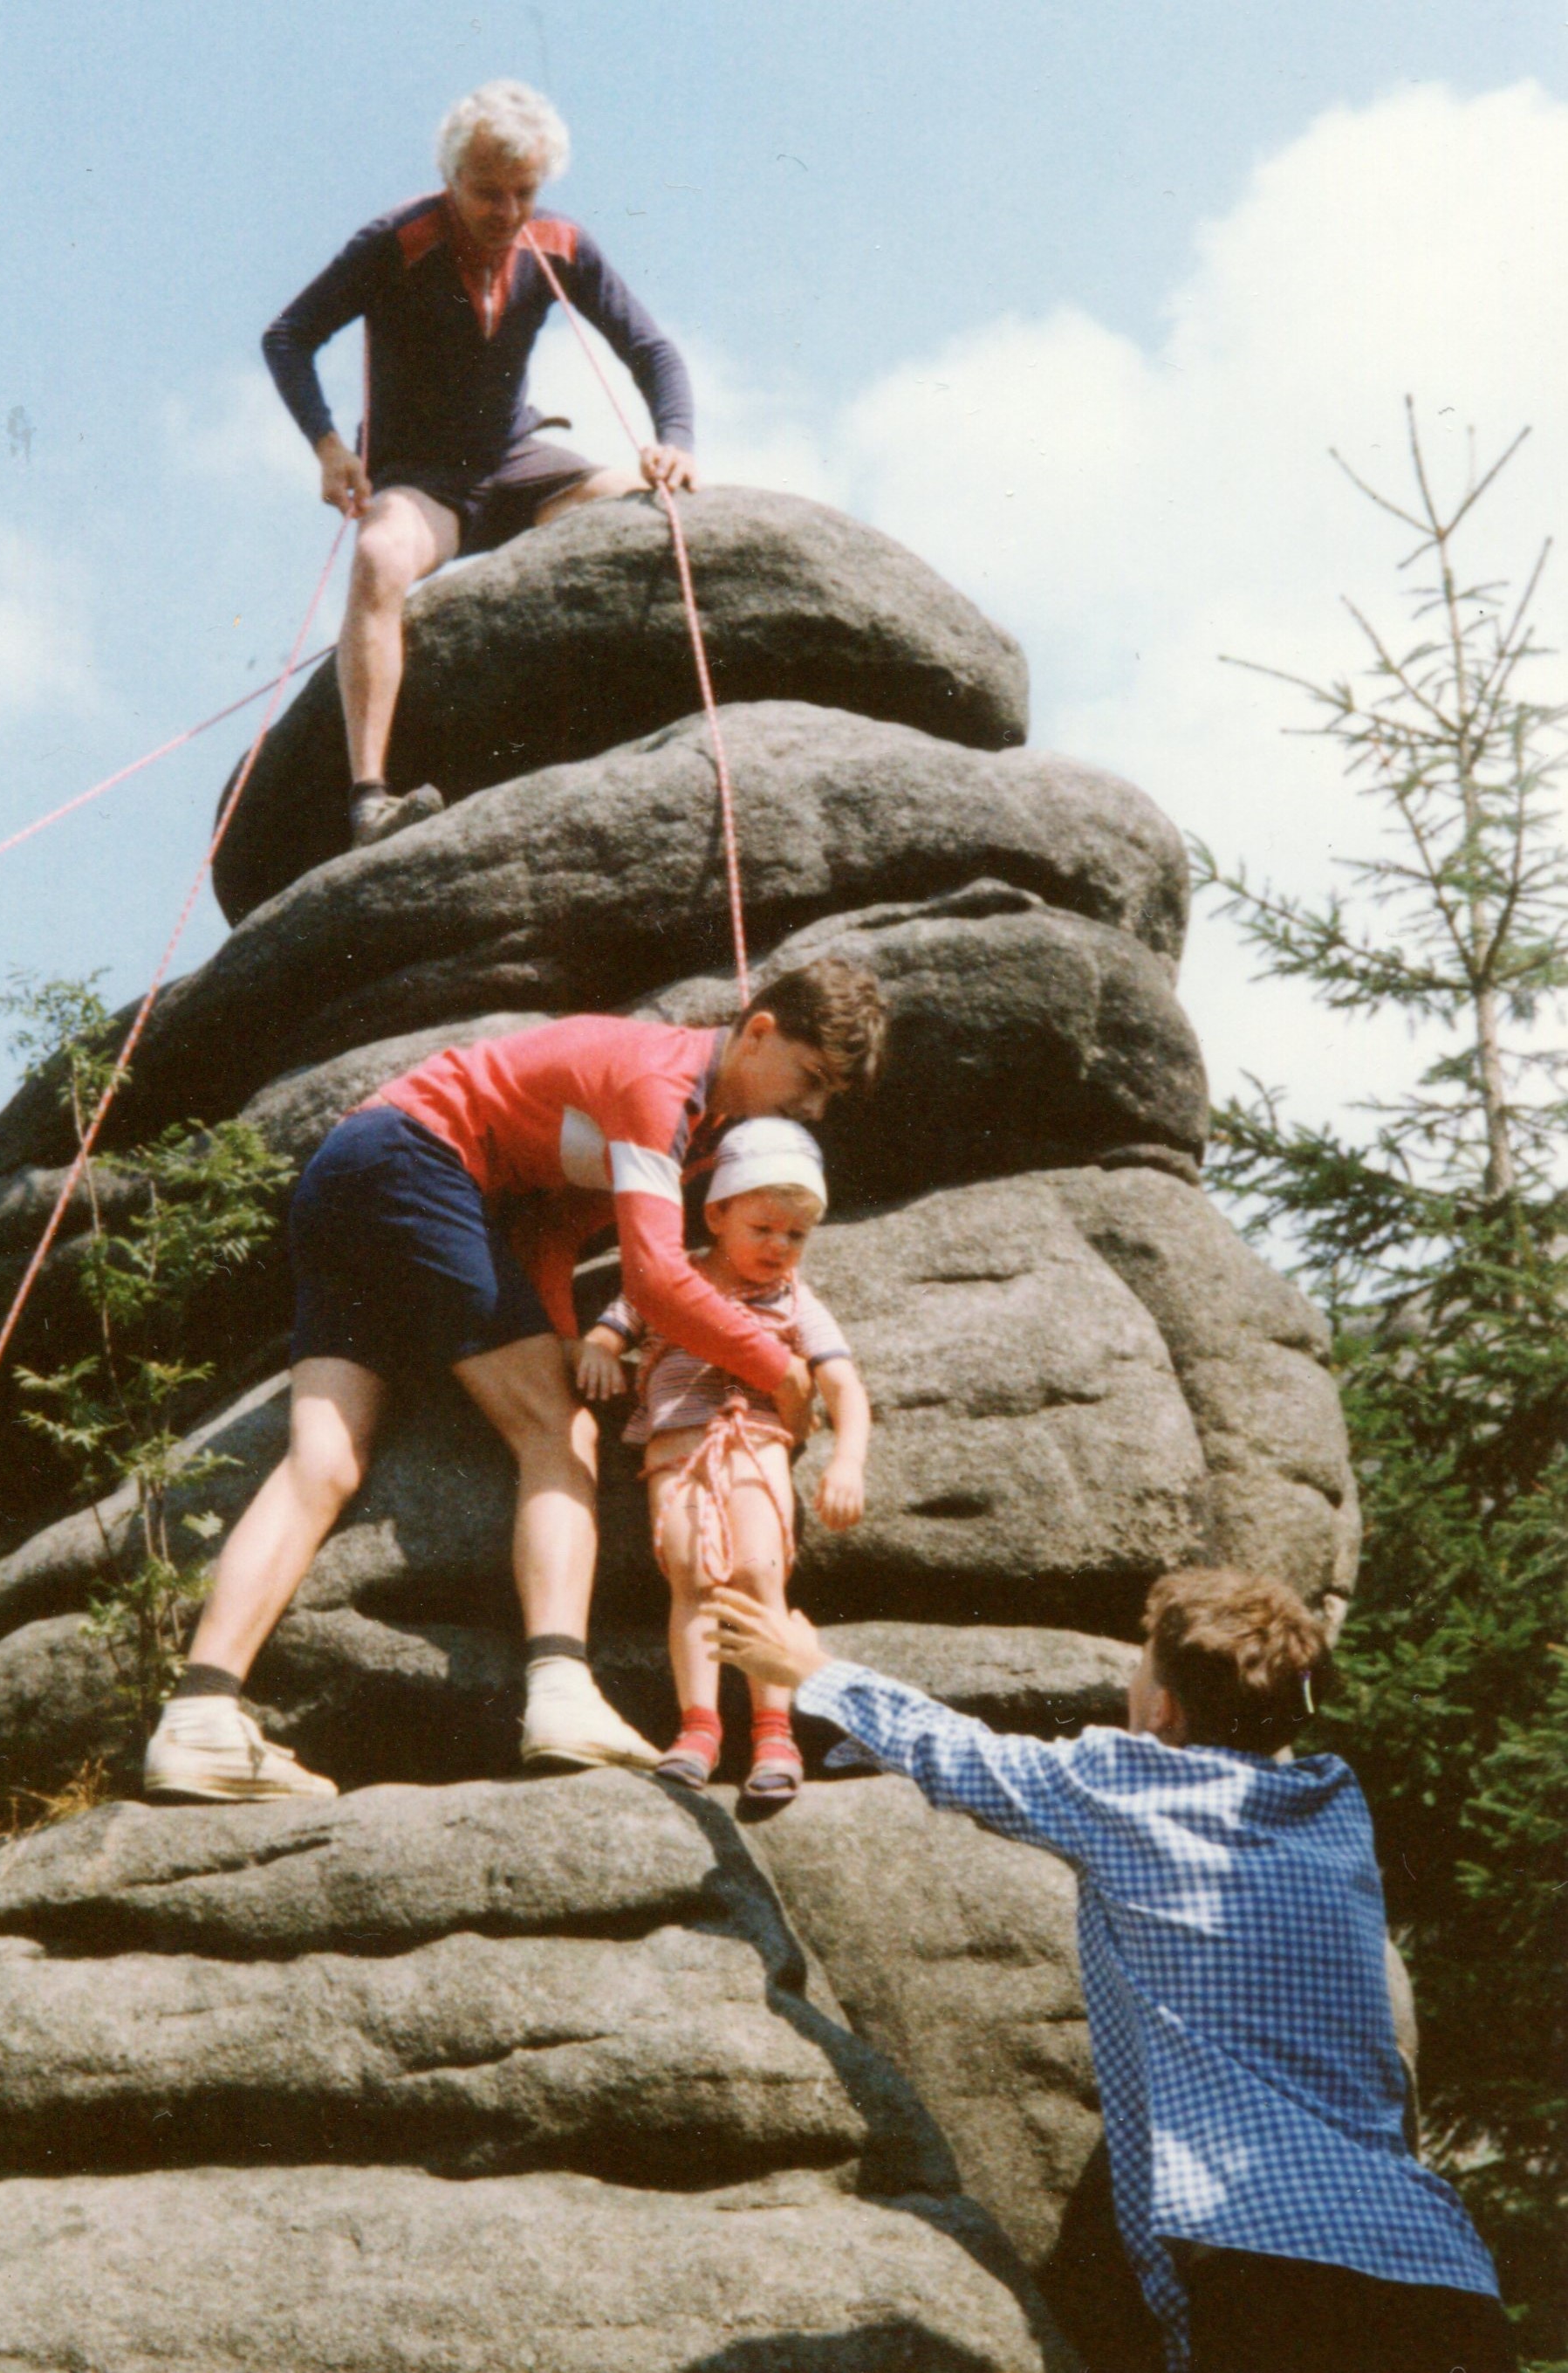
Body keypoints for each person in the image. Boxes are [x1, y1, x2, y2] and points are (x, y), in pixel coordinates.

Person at [709, 1566, 1515, 2373]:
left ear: (1162, 1708)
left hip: (1272, 2269)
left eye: (1141, 1668)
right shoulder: (1335, 1804)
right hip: (1439, 2266)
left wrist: (812, 1671)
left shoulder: (1127, 1784)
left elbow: (964, 1754)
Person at [142, 957, 887, 1805]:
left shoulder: (699, 1125)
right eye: (809, 1077)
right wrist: (778, 1368)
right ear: (758, 1031)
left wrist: (564, 1339)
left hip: (347, 1170)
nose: (812, 1108)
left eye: (829, 1095)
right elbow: (652, 1280)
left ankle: (197, 1717)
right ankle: (561, 1692)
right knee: (557, 1432)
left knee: (324, 1460)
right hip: (415, 1158)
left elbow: (554, 1229)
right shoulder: (662, 1086)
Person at [262, 79, 698, 847]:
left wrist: (676, 441)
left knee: (656, 508)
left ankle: (658, 716)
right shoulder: (397, 242)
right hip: (423, 480)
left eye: (524, 192)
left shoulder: (560, 243)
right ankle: (370, 800)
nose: (507, 211)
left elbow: (652, 349)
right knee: (378, 556)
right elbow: (288, 336)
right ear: (451, 178)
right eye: (488, 192)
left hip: (519, 462)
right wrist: (329, 447)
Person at [578, 1117, 869, 1801]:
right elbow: (610, 1329)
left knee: (757, 1570)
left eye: (796, 1235)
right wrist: (598, 1350)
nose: (779, 1246)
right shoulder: (669, 1278)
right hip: (675, 1448)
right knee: (691, 1572)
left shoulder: (794, 1300)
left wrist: (847, 1461)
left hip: (755, 1441)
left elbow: (843, 1385)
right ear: (717, 1214)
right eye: (762, 1227)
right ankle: (699, 1727)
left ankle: (774, 1731)